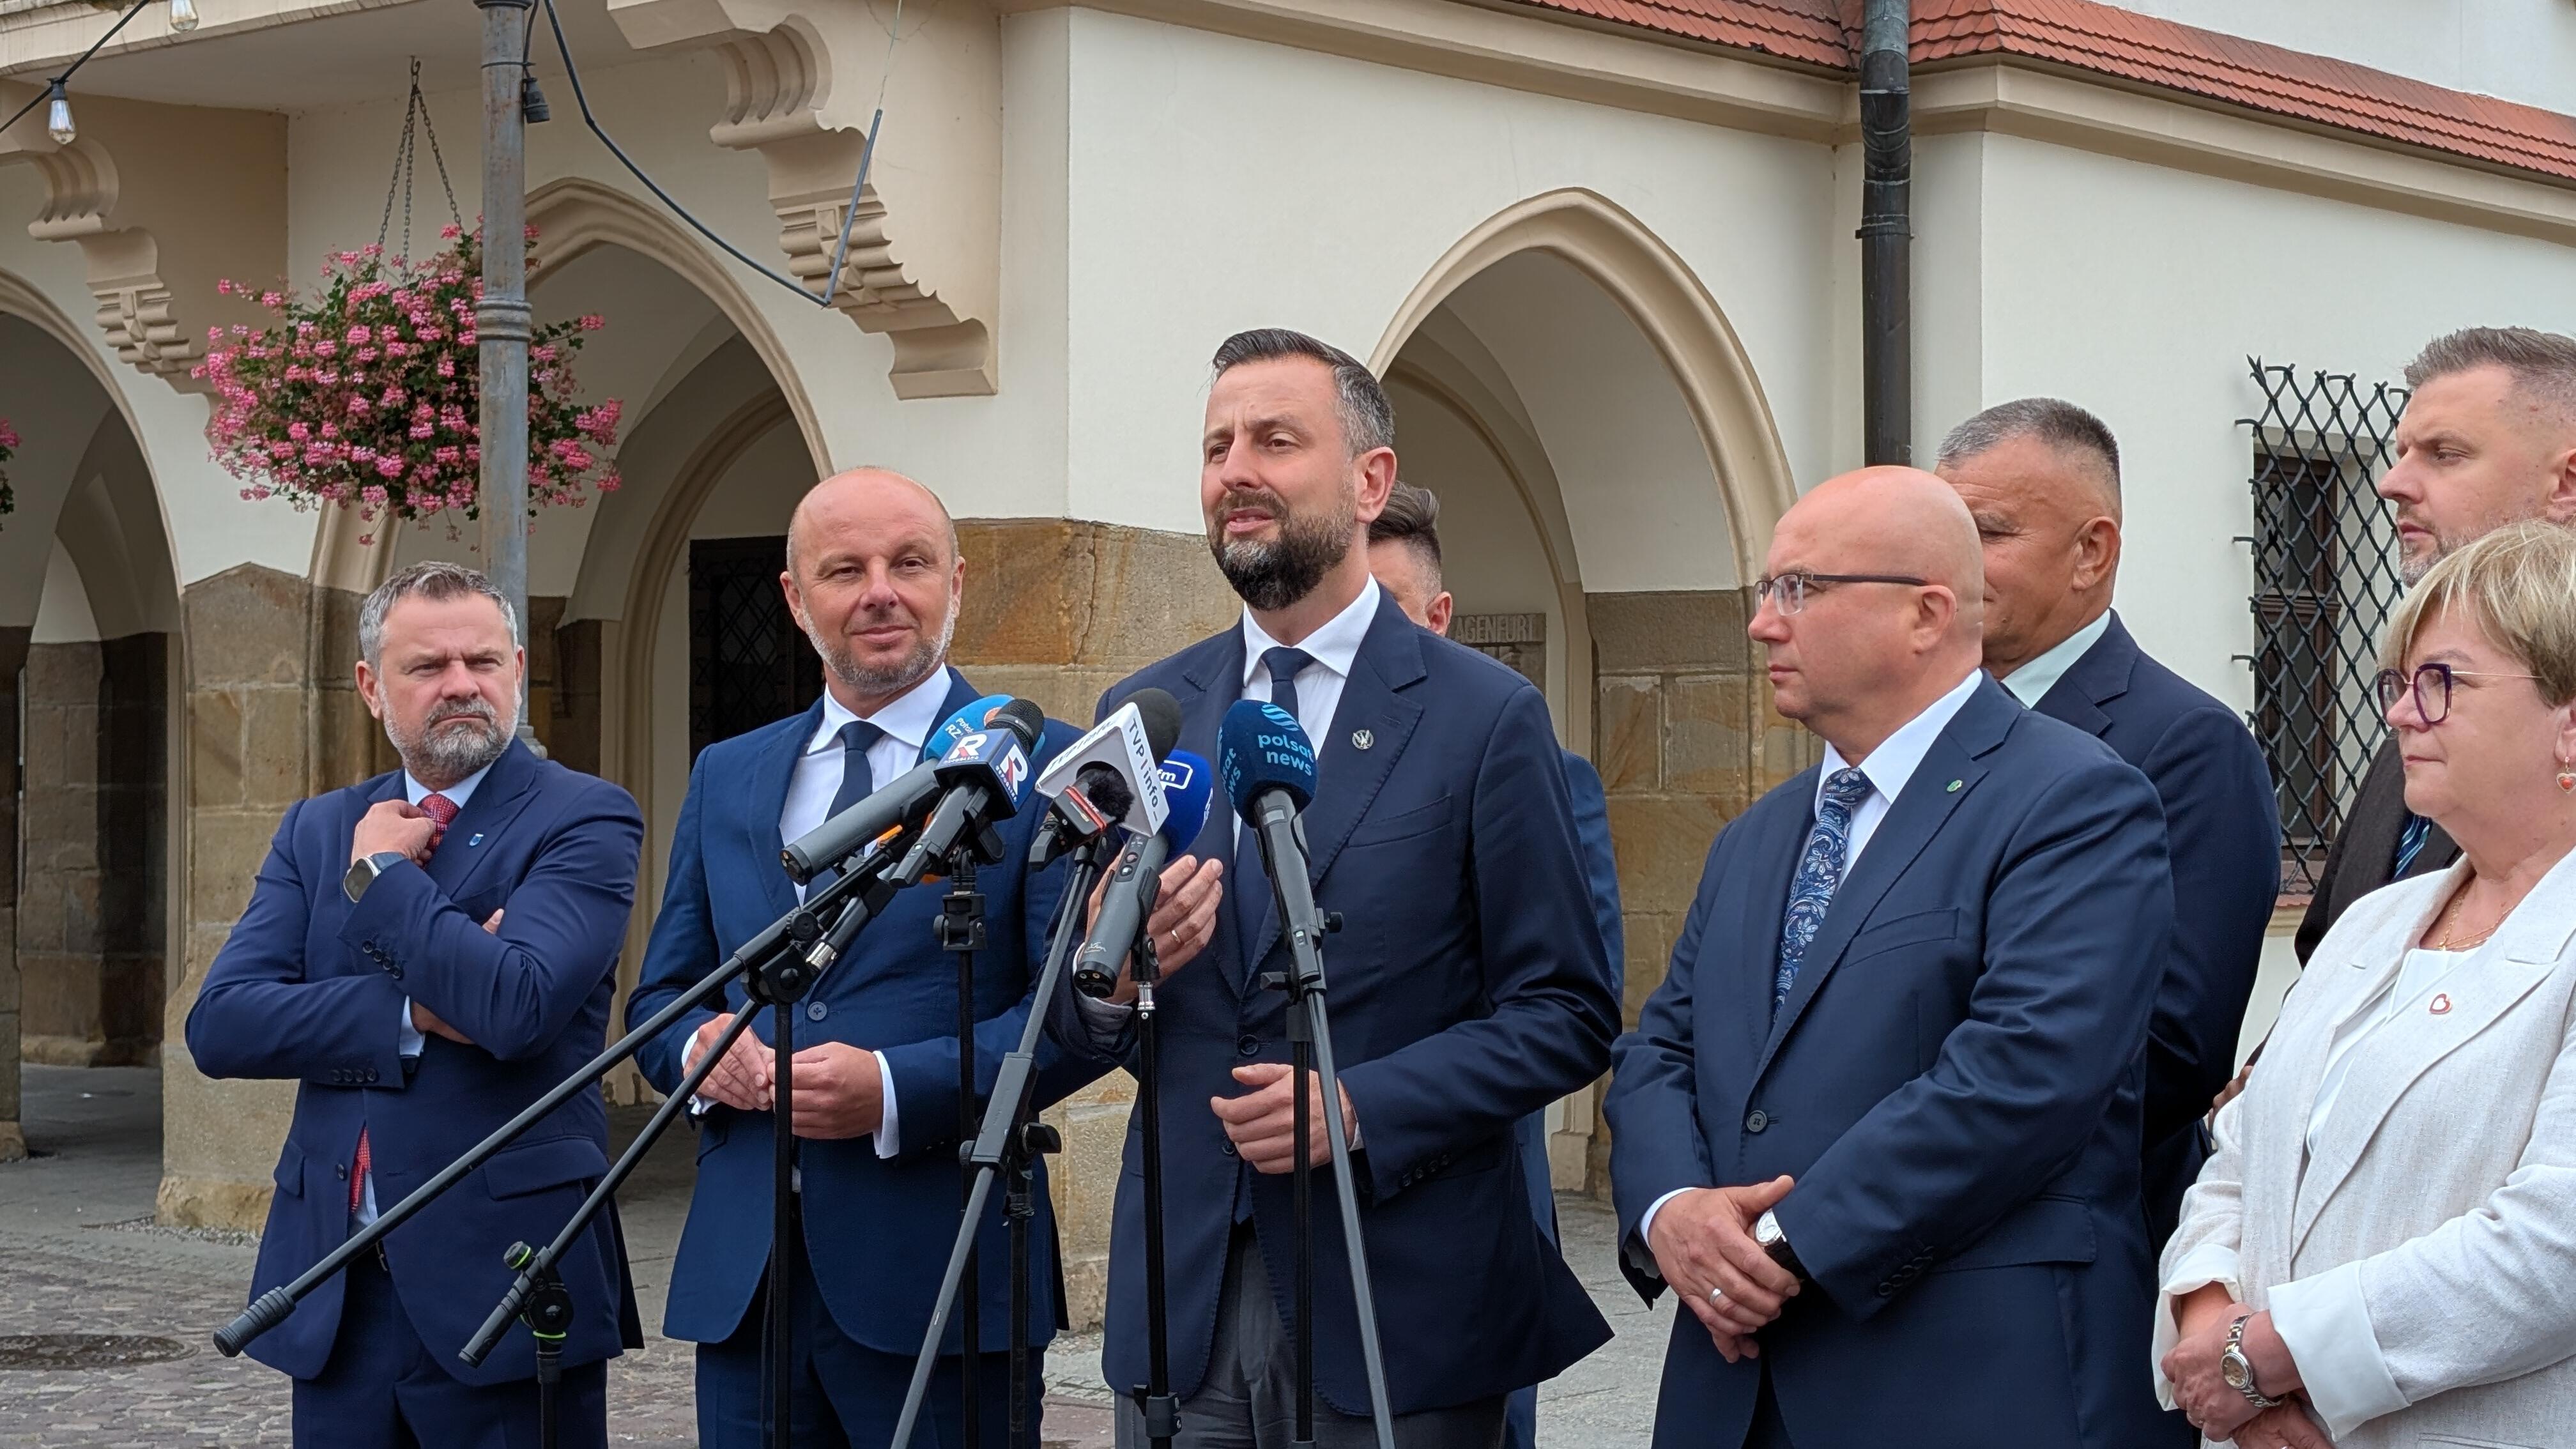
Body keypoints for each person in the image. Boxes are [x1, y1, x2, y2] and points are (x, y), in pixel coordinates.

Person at [1059, 328, 1619, 1448]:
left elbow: (1566, 1012)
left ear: (1369, 481)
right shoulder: (1150, 711)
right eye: (1216, 447)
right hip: (1185, 1300)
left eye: (1275, 440)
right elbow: (1083, 1013)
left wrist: (1361, 1106)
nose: (1236, 471)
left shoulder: (1483, 717)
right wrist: (1114, 977)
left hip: (1397, 1298)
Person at [1605, 467, 2177, 1448]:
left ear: (1927, 613)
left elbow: (2023, 1076)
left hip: (1957, 1382)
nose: (1763, 625)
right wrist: (1672, 1213)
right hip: (1733, 1390)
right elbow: (1663, 1049)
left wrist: (1776, 1246)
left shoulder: (2074, 801)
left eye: (1800, 589)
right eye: (1767, 590)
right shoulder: (1757, 837)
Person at [625, 469, 1093, 1448]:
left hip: (941, 1276)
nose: (880, 591)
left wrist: (889, 1090)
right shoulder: (728, 774)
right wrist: (700, 1050)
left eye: (908, 563)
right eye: (845, 570)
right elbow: (664, 995)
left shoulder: (1048, 769)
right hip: (748, 1286)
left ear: (955, 583)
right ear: (796, 599)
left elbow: (1075, 1021)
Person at [187, 561, 646, 1449]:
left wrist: (381, 876)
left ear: (518, 669)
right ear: (371, 687)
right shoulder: (316, 828)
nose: (461, 684)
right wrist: (412, 1011)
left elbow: (517, 1005)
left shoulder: (584, 817)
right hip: (334, 1285)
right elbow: (223, 1023)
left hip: (504, 1279)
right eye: (428, 666)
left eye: (483, 661)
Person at [2159, 520, 2576, 1449]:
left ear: (2570, 724)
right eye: (2399, 683)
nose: (2401, 715)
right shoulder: (2374, 922)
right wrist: (2211, 1321)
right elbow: (2238, 1156)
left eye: (2444, 683)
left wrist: (2269, 1359)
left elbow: (2555, 1246)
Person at [1935, 399, 2279, 1261]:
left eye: (1987, 533)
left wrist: (1913, 1149)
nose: (1948, 565)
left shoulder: (2186, 745)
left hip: (2055, 1244)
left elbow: (2173, 1052)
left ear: (2091, 551)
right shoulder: (1917, 732)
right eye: (1941, 533)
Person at [1364, 480, 1625, 1449]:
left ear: (1439, 618)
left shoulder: (1536, 769)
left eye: (1383, 611)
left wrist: (1372, 1104)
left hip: (1458, 1210)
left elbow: (1569, 1001)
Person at [2291, 328, 2576, 964]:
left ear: (2567, 483)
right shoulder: (2429, 705)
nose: (2392, 482)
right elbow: (2327, 953)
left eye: (2445, 453)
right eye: (2401, 453)